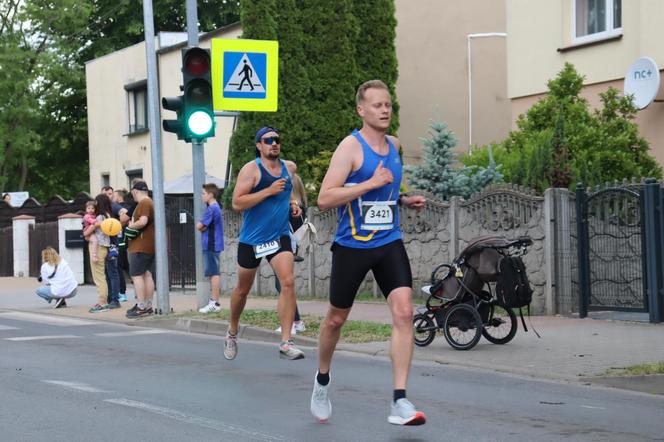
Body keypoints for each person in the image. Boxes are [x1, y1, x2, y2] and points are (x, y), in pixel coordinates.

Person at [310, 80, 427, 426]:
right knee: (335, 319)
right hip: (352, 245)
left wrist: (403, 200)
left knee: (405, 312)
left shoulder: (394, 145)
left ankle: (400, 401)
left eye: (388, 104)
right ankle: (322, 379)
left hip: (389, 241)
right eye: (377, 105)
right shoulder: (350, 147)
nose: (385, 109)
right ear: (361, 110)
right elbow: (325, 198)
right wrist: (369, 184)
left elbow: (385, 194)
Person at [223, 126, 304, 361]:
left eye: (277, 140)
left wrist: (292, 202)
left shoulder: (289, 168)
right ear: (259, 145)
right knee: (242, 290)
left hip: (278, 237)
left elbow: (287, 189)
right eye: (268, 140)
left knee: (287, 282)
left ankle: (286, 342)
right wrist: (268, 191)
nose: (274, 144)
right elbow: (237, 203)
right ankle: (232, 331)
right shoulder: (251, 170)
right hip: (252, 240)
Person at [274, 173, 307, 335]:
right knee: (284, 285)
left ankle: (292, 323)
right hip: (285, 248)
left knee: (283, 285)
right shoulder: (298, 206)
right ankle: (297, 321)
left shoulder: (293, 208)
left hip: (285, 248)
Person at [84, 194, 121, 312]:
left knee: (99, 277)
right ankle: (106, 300)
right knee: (104, 276)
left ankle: (102, 303)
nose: (94, 205)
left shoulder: (99, 217)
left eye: (96, 203)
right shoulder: (109, 215)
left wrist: (86, 233)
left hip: (98, 247)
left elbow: (87, 232)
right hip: (105, 247)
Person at [125, 180, 155, 318]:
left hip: (140, 245)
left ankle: (141, 306)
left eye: (133, 194)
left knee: (137, 275)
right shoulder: (150, 202)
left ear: (135, 191)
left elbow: (142, 221)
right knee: (146, 274)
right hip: (148, 245)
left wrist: (131, 225)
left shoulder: (144, 202)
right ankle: (147, 305)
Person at [197, 183, 225, 313]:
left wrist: (200, 225)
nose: (202, 196)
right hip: (213, 243)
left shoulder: (212, 209)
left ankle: (214, 303)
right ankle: (214, 302)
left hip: (211, 244)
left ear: (210, 195)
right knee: (213, 272)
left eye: (203, 193)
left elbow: (200, 226)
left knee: (214, 273)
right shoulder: (215, 207)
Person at [113, 188, 131, 302]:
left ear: (119, 197)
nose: (113, 198)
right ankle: (139, 291)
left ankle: (122, 293)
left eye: (113, 195)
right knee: (128, 267)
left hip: (121, 241)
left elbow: (125, 220)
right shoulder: (129, 206)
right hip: (128, 241)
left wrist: (114, 225)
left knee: (119, 266)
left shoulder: (121, 208)